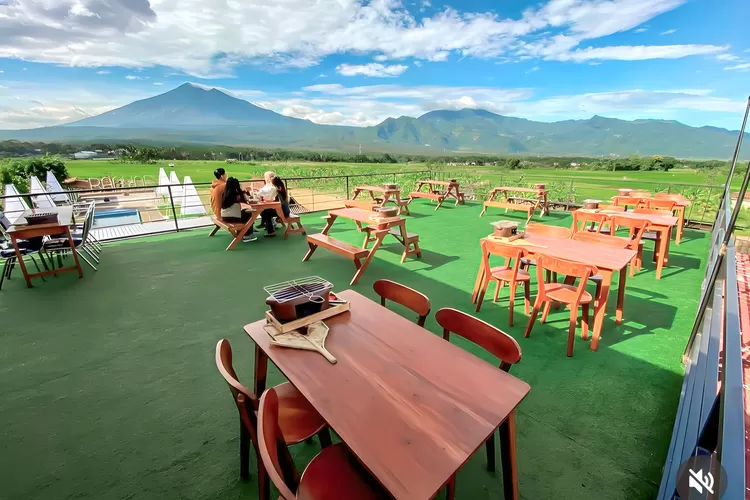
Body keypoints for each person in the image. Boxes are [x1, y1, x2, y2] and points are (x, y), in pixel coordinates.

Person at [220, 177, 257, 242]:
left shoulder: (225, 193)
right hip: (232, 217)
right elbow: (245, 201)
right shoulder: (236, 194)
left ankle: (248, 230)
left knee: (246, 213)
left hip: (224, 216)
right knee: (249, 215)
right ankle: (246, 234)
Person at [256, 171, 279, 237]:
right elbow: (264, 191)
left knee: (265, 212)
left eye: (265, 177)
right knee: (264, 211)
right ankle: (269, 225)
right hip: (275, 206)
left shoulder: (273, 186)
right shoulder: (272, 185)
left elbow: (265, 192)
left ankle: (270, 230)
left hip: (277, 208)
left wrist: (258, 192)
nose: (265, 179)